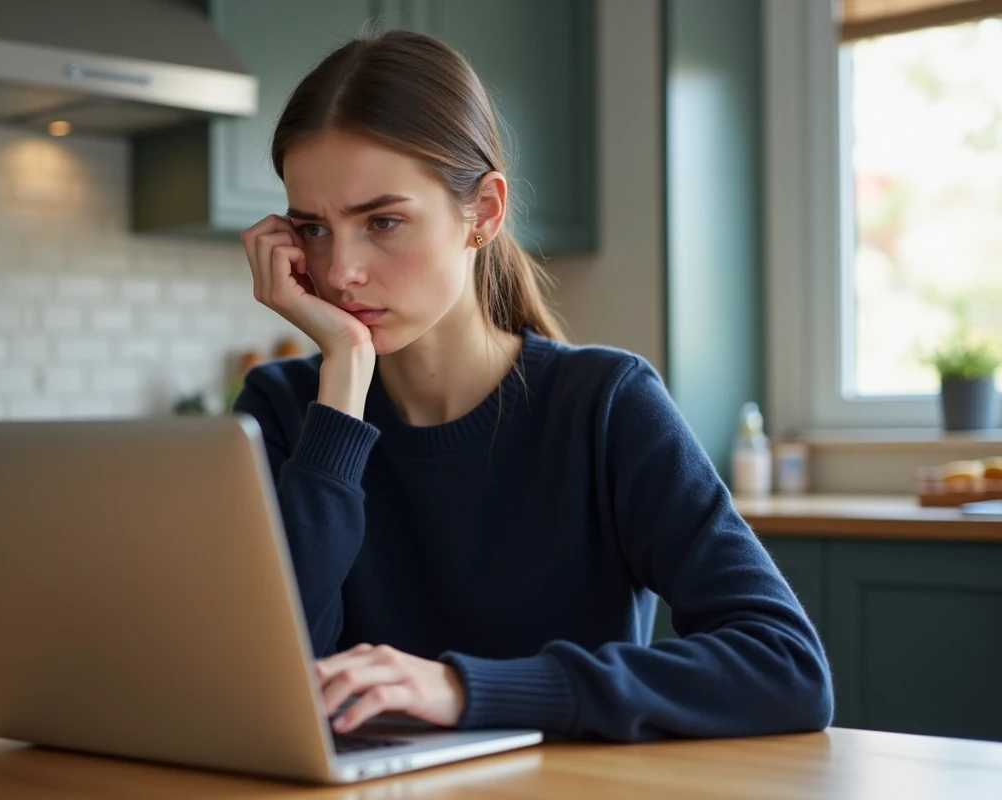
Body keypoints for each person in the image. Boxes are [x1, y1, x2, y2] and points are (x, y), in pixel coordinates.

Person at [233, 29, 833, 742]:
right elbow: (266, 683)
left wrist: (464, 688)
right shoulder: (282, 410)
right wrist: (339, 397)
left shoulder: (604, 404)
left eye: (383, 221)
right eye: (314, 229)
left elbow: (787, 668)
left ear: (482, 212)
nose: (339, 273)